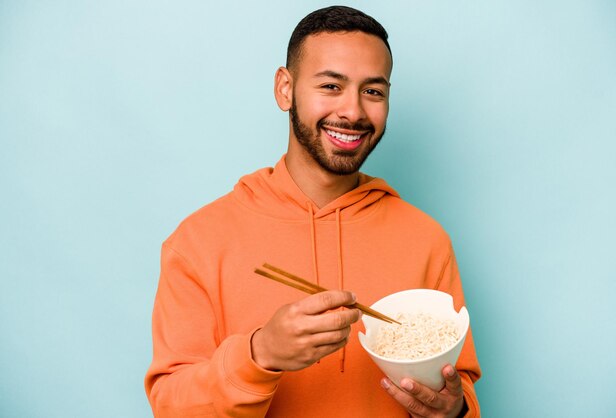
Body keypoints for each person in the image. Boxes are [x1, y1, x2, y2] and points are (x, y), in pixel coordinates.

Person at [145, 5, 481, 417]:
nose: (354, 112)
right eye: (331, 86)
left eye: (373, 91)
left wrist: (454, 410)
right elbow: (171, 407)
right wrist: (259, 354)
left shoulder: (426, 240)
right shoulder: (198, 241)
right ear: (285, 88)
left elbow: (460, 391)